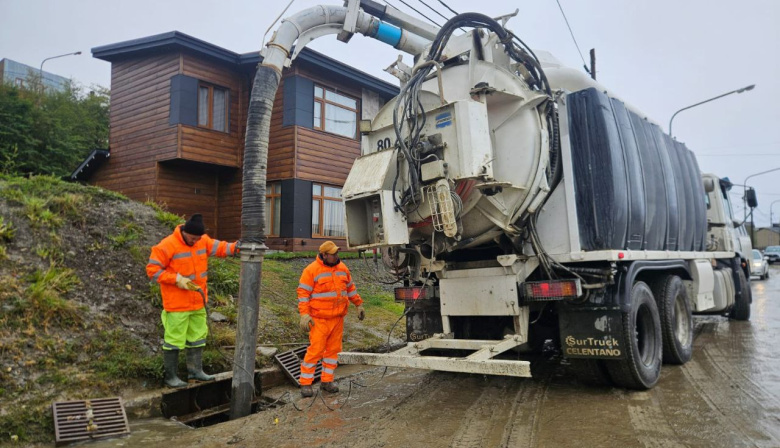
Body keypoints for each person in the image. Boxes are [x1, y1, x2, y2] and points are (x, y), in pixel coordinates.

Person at [146, 213, 238, 388]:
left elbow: (221, 247)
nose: (195, 241)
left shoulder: (202, 240)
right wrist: (177, 279)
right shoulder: (167, 245)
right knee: (174, 340)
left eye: (198, 238)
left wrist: (237, 247)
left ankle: (195, 372)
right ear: (184, 232)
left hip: (198, 302)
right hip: (177, 304)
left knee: (197, 337)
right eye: (192, 238)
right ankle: (171, 377)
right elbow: (152, 270)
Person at [296, 241, 365, 397]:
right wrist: (304, 314)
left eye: (336, 253)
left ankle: (327, 381)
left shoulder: (343, 268)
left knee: (333, 352)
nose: (336, 256)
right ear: (324, 255)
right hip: (319, 319)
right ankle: (305, 383)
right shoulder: (311, 270)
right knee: (315, 351)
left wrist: (358, 304)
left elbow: (350, 288)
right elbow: (303, 294)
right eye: (333, 254)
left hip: (337, 319)